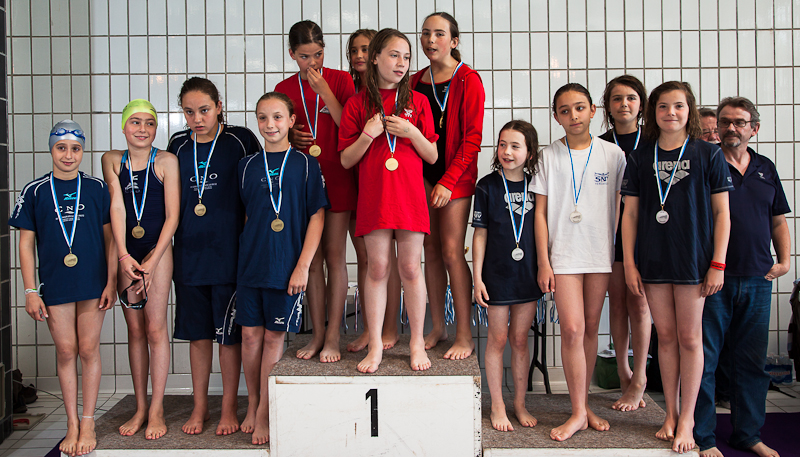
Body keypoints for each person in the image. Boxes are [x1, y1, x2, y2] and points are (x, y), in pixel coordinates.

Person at [621, 81, 732, 454]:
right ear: (652, 112)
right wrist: (630, 263)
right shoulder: (641, 156)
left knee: (690, 339)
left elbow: (722, 214)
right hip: (653, 260)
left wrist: (717, 264)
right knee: (665, 338)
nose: (671, 112)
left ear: (690, 110)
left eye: (679, 106)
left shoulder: (708, 154)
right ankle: (669, 413)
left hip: (693, 261)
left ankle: (688, 420)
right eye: (663, 106)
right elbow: (630, 214)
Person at [10, 120, 116, 456]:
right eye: (61, 148)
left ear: (82, 151)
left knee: (88, 349)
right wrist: (30, 291)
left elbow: (111, 239)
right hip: (55, 282)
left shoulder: (97, 188)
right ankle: (71, 423)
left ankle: (88, 421)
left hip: (92, 282)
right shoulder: (35, 191)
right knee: (67, 350)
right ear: (51, 149)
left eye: (75, 149)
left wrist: (111, 281)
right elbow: (25, 244)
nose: (68, 155)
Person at [693, 97, 789, 457]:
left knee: (750, 363)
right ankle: (703, 436)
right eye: (725, 122)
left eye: (739, 122)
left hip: (757, 278)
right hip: (712, 279)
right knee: (705, 361)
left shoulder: (766, 167)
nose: (731, 128)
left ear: (754, 128)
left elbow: (778, 219)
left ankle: (748, 434)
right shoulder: (707, 164)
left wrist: (784, 260)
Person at [340, 28, 439, 373]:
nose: (401, 63)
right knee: (378, 268)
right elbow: (346, 159)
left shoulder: (418, 102)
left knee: (410, 268)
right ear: (375, 58)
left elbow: (432, 155)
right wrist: (368, 135)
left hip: (409, 197)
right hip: (376, 197)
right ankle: (375, 345)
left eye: (406, 57)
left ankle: (416, 341)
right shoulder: (357, 104)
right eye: (394, 55)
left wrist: (412, 132)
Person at [167, 77, 262, 436]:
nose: (197, 119)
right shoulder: (177, 145)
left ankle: (228, 407)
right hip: (189, 254)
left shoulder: (240, 140)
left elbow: (256, 190)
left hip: (229, 254)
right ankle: (200, 407)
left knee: (228, 336)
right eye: (189, 112)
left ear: (219, 107)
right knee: (198, 336)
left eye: (204, 110)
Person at [532, 83, 626, 441]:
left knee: (589, 328)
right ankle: (576, 412)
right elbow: (540, 214)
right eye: (565, 110)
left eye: (580, 107)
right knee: (571, 329)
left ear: (593, 111)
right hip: (563, 255)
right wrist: (544, 261)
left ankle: (583, 406)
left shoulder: (613, 155)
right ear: (556, 117)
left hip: (599, 254)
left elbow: (622, 207)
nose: (573, 115)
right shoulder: (548, 156)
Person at [238, 92, 327, 445]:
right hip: (250, 264)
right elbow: (246, 216)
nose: (269, 124)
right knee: (249, 336)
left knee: (274, 336)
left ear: (291, 121)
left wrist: (302, 266)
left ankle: (264, 411)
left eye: (277, 117)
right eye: (262, 117)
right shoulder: (246, 166)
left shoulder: (306, 165)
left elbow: (316, 217)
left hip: (285, 265)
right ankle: (252, 401)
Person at [275, 20, 356, 363]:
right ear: (292, 54)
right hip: (303, 180)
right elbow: (276, 129)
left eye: (318, 54)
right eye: (305, 56)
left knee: (335, 256)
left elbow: (351, 128)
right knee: (312, 260)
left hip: (337, 175)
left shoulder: (341, 80)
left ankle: (334, 335)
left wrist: (325, 93)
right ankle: (318, 333)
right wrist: (290, 136)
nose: (312, 62)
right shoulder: (283, 88)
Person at [101, 100, 180, 439]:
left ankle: (158, 408)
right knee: (134, 331)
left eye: (149, 123)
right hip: (126, 253)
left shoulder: (166, 161)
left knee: (155, 329)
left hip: (157, 252)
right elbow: (116, 207)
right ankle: (141, 407)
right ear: (123, 126)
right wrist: (123, 255)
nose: (142, 129)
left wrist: (152, 260)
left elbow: (173, 217)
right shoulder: (111, 160)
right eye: (135, 122)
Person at [411, 12, 485, 360]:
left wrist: (449, 181)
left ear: (454, 41)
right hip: (422, 175)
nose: (430, 40)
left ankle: (464, 334)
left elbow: (472, 139)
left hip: (456, 177)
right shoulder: (414, 81)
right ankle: (438, 325)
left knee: (453, 251)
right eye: (426, 33)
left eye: (439, 34)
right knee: (430, 250)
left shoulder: (468, 79)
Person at [473, 120, 543, 432]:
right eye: (503, 144)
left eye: (515, 146)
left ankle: (520, 403)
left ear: (530, 153)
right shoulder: (486, 186)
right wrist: (477, 278)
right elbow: (480, 235)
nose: (507, 151)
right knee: (498, 339)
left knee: (519, 340)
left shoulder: (537, 185)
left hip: (527, 276)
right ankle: (497, 405)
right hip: (497, 277)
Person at [343, 28, 404, 353]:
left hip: (389, 183)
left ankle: (387, 329)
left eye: (366, 49)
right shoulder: (352, 93)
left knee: (391, 261)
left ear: (377, 54)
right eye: (354, 50)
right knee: (370, 260)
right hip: (358, 178)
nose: (360, 56)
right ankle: (372, 330)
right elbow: (345, 142)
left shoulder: (404, 94)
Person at [598, 75, 651, 411]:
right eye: (617, 99)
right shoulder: (599, 144)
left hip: (647, 234)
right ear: (607, 106)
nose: (624, 105)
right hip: (610, 233)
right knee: (617, 304)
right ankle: (622, 369)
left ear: (641, 104)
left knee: (640, 305)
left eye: (631, 98)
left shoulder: (655, 142)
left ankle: (641, 376)